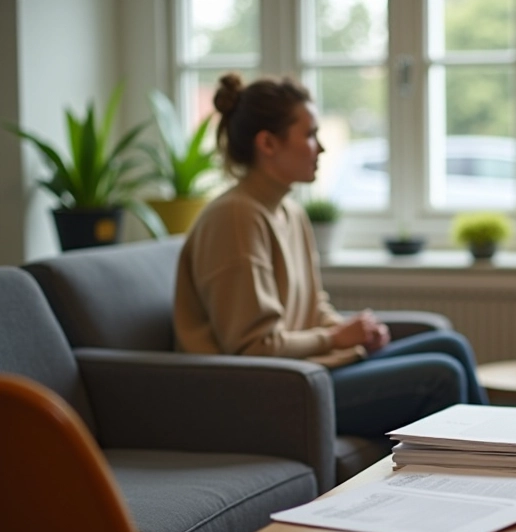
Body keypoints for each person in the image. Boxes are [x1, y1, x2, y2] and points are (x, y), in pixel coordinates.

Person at [174, 73, 488, 441]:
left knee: (451, 345)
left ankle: (509, 462)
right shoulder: (235, 218)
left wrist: (355, 333)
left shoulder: (289, 212)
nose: (320, 148)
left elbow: (311, 308)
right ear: (268, 143)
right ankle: (469, 487)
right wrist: (336, 338)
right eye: (309, 135)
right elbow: (254, 348)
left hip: (306, 372)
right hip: (264, 392)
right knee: (440, 375)